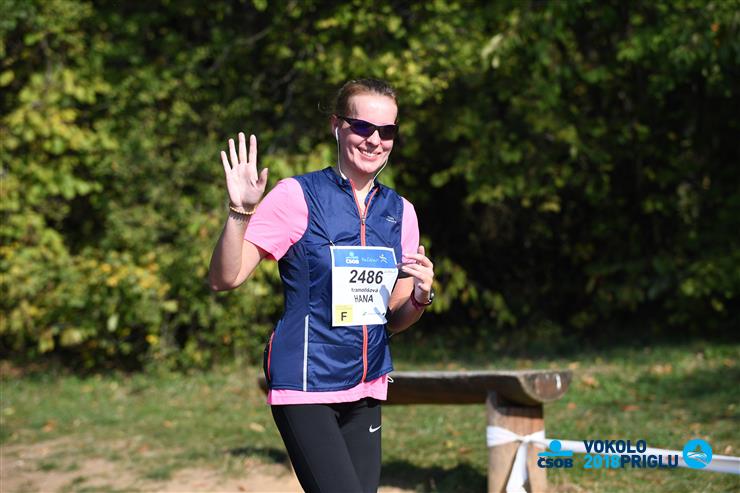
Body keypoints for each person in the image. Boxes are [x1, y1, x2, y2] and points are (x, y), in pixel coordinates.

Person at [208, 78, 435, 493]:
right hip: (306, 384)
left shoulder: (401, 212)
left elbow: (392, 319)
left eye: (386, 131)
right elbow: (225, 278)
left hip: (366, 385)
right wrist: (240, 212)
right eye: (362, 126)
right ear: (336, 125)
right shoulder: (296, 196)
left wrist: (421, 298)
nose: (374, 140)